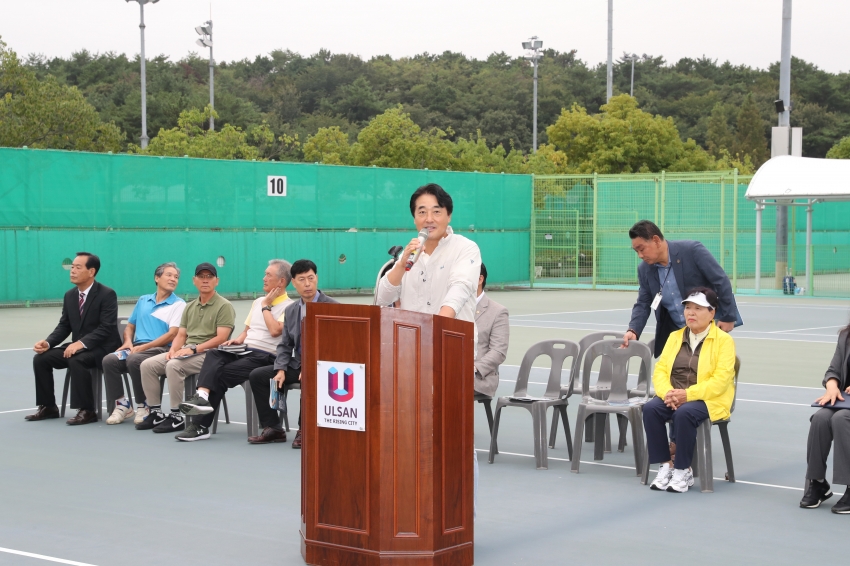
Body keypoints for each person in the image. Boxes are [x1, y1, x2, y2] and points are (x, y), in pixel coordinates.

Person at [374, 183, 482, 517]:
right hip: (409, 355)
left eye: (436, 210)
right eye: (421, 211)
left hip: (451, 351)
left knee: (454, 434)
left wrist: (438, 327)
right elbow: (382, 299)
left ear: (448, 215)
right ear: (414, 218)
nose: (429, 217)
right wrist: (401, 263)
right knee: (410, 433)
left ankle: (461, 513)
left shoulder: (465, 248)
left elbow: (461, 288)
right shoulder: (409, 253)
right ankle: (415, 509)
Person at [176, 260, 295, 442]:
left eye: (268, 275)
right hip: (246, 350)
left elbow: (274, 330)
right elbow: (247, 330)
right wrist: (237, 340)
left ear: (281, 281)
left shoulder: (290, 307)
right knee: (214, 353)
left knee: (219, 374)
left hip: (268, 356)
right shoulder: (257, 302)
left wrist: (267, 305)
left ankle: (200, 426)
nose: (263, 278)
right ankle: (202, 396)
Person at [643, 287, 736, 493]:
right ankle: (666, 464)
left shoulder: (724, 341)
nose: (690, 313)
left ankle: (683, 469)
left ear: (712, 313)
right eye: (688, 308)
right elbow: (661, 370)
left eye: (698, 308)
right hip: (674, 395)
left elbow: (720, 381)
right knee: (651, 409)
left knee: (685, 413)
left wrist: (688, 395)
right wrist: (668, 393)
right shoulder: (675, 337)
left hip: (709, 399)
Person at [248, 259, 338, 447]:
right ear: (294, 283)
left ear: (317, 278)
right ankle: (273, 428)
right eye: (302, 280)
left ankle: (304, 430)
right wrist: (280, 368)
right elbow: (285, 345)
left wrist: (311, 365)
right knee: (258, 376)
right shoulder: (291, 310)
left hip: (324, 366)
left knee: (311, 378)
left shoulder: (332, 307)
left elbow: (335, 345)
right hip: (296, 364)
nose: (307, 284)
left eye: (311, 278)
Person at [136, 262, 235, 433]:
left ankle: (176, 417)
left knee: (174, 366)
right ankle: (155, 413)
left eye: (209, 277)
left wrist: (194, 349)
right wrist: (173, 350)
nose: (205, 280)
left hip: (211, 354)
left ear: (216, 281)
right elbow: (181, 335)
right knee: (147, 365)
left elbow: (221, 338)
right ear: (194, 280)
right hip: (188, 351)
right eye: (201, 277)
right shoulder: (189, 306)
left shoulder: (224, 305)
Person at [27, 252, 122, 425]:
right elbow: (64, 325)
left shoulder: (107, 294)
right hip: (79, 347)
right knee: (41, 359)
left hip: (103, 349)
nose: (72, 271)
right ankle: (48, 407)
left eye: (78, 267)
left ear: (91, 271)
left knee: (77, 359)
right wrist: (47, 343)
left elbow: (106, 328)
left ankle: (87, 410)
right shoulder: (70, 295)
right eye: (72, 267)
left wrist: (81, 343)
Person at [623, 220, 742, 357]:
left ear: (656, 240)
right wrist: (634, 330)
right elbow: (643, 303)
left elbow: (720, 280)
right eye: (636, 251)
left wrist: (728, 317)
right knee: (678, 375)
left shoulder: (692, 250)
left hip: (708, 329)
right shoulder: (644, 270)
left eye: (642, 249)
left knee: (712, 372)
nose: (640, 255)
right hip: (677, 336)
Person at [103, 262, 185, 425]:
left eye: (176, 277)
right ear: (157, 277)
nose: (173, 279)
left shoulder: (179, 304)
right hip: (137, 348)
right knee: (109, 360)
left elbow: (172, 334)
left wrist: (144, 347)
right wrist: (128, 342)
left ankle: (144, 405)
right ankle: (122, 405)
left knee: (135, 360)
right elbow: (130, 326)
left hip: (160, 350)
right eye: (169, 275)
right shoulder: (143, 300)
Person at [799, 322, 850, 513]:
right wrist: (832, 386)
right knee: (821, 418)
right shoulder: (846, 336)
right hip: (845, 399)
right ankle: (818, 482)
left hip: (846, 410)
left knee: (841, 419)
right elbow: (833, 370)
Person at [474, 263, 509, 397]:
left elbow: (498, 351)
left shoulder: (498, 311)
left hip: (479, 377)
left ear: (479, 279)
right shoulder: (450, 308)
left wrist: (474, 368)